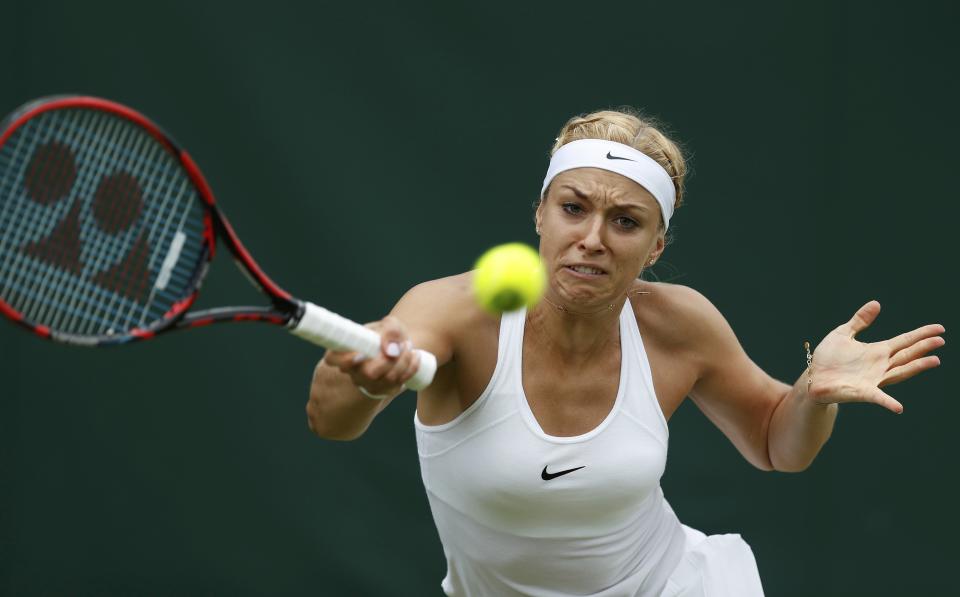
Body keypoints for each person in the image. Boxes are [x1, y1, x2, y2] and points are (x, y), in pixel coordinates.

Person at [305, 109, 945, 596]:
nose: (591, 239)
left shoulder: (679, 323)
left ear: (656, 246)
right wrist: (367, 379)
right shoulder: (451, 311)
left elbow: (780, 443)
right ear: (540, 215)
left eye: (626, 222)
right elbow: (330, 421)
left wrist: (811, 392)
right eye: (573, 209)